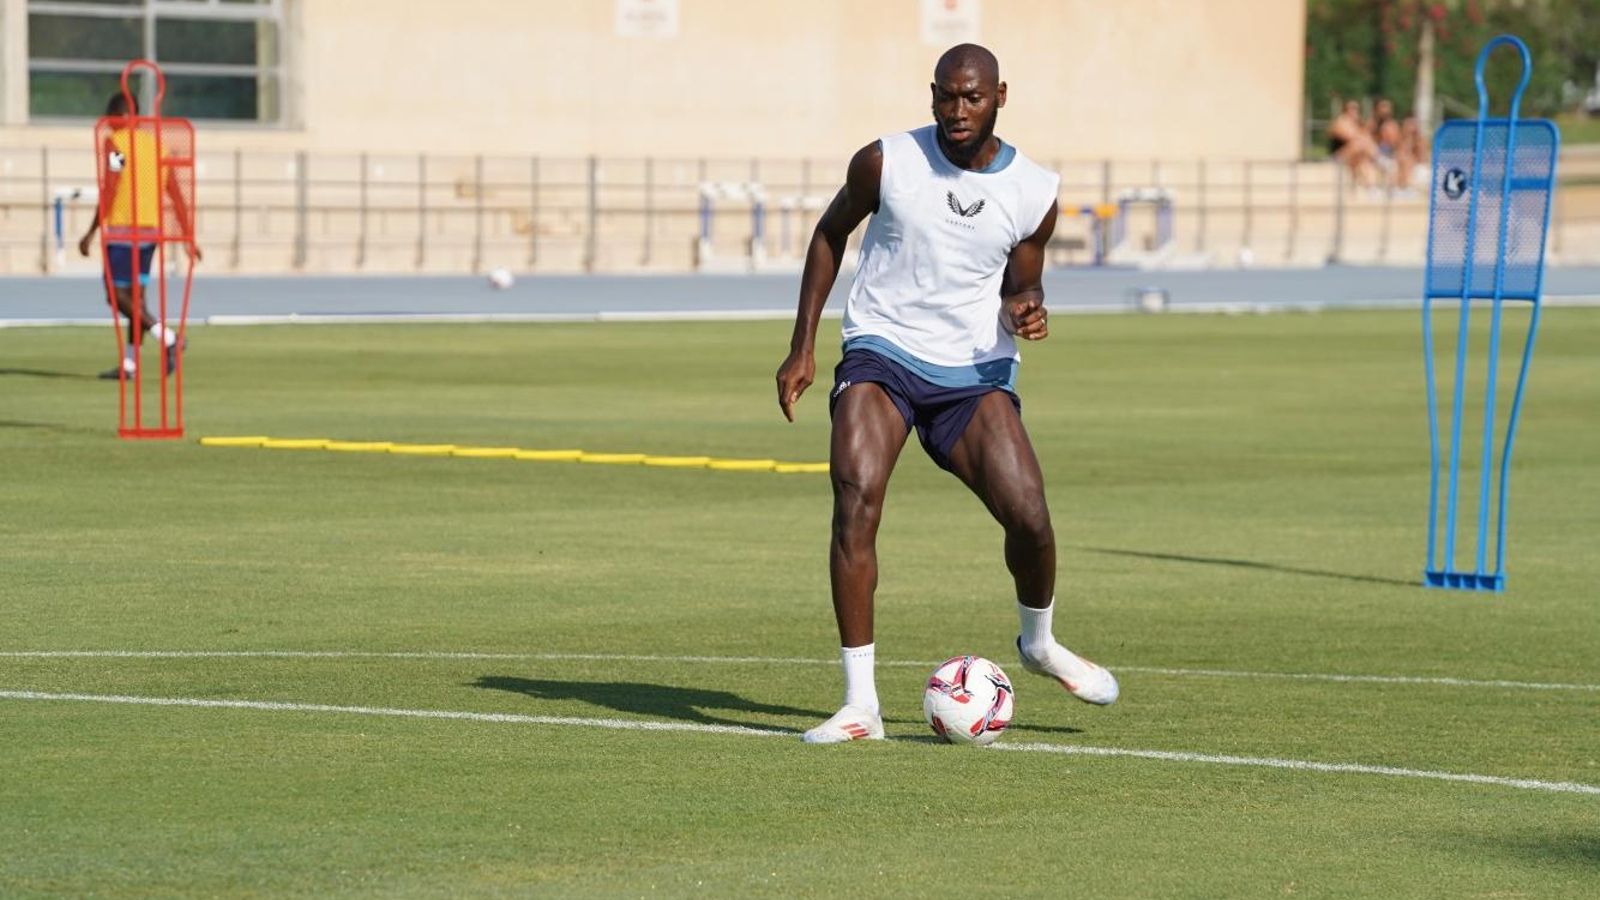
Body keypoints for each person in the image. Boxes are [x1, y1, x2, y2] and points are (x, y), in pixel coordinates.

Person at [774, 43, 1119, 744]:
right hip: (883, 352)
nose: (957, 111)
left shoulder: (1033, 191)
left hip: (972, 375)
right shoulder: (885, 161)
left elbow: (1022, 283)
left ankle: (1039, 642)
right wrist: (803, 344)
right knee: (856, 493)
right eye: (945, 97)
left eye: (972, 98)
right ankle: (860, 705)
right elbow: (829, 234)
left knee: (1030, 517)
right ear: (931, 95)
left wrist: (1030, 308)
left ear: (1000, 96)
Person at [78, 92, 200, 380]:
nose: (106, 125)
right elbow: (176, 193)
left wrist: (91, 232)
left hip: (123, 230)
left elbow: (110, 188)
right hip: (150, 232)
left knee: (115, 295)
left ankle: (168, 338)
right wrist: (187, 236)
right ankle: (130, 365)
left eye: (110, 117)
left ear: (120, 115)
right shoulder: (157, 147)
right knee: (137, 299)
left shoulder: (117, 145)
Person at [1327, 100, 1378, 189]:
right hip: (1338, 155)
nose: (1355, 111)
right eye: (1352, 108)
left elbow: (1366, 138)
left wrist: (1364, 129)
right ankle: (1378, 157)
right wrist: (1363, 131)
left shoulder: (1357, 124)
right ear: (1345, 110)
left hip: (1353, 155)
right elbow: (1349, 137)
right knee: (1358, 143)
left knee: (1364, 162)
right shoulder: (1341, 121)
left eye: (1356, 109)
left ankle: (1370, 187)